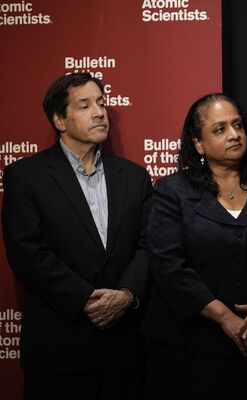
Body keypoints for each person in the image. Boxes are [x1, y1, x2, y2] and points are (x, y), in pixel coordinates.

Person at [141, 93, 247, 399]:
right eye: (220, 129)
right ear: (198, 144)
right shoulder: (172, 192)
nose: (234, 134)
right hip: (190, 349)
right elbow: (168, 266)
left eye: (237, 125)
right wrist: (225, 318)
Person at [1, 73, 152, 399]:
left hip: (124, 349)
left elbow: (148, 245)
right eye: (84, 105)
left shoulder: (135, 177)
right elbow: (26, 252)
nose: (99, 112)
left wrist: (125, 295)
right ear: (60, 120)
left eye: (101, 103)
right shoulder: (25, 176)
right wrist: (86, 298)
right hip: (58, 347)